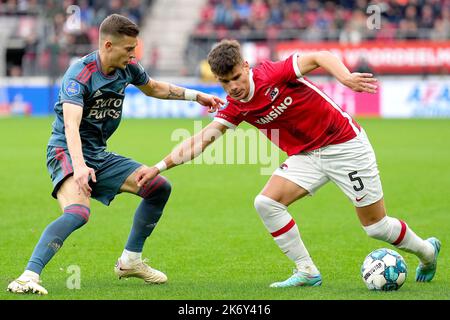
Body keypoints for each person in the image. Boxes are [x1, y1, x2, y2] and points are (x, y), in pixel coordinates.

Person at [135, 39, 441, 288]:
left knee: (376, 227)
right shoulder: (236, 106)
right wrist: (158, 167)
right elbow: (200, 140)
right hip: (306, 156)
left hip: (345, 146)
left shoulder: (273, 73)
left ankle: (427, 252)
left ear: (246, 67)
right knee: (266, 203)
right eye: (225, 83)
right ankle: (307, 271)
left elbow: (321, 55)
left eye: (237, 78)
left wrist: (345, 77)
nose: (233, 88)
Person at [7, 14, 223, 295]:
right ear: (108, 45)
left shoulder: (128, 67)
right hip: (66, 152)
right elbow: (71, 125)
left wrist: (196, 96)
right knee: (78, 213)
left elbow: (154, 88)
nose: (134, 54)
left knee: (157, 187)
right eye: (129, 49)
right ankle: (28, 276)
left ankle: (130, 261)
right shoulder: (79, 75)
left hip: (98, 154)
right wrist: (81, 167)